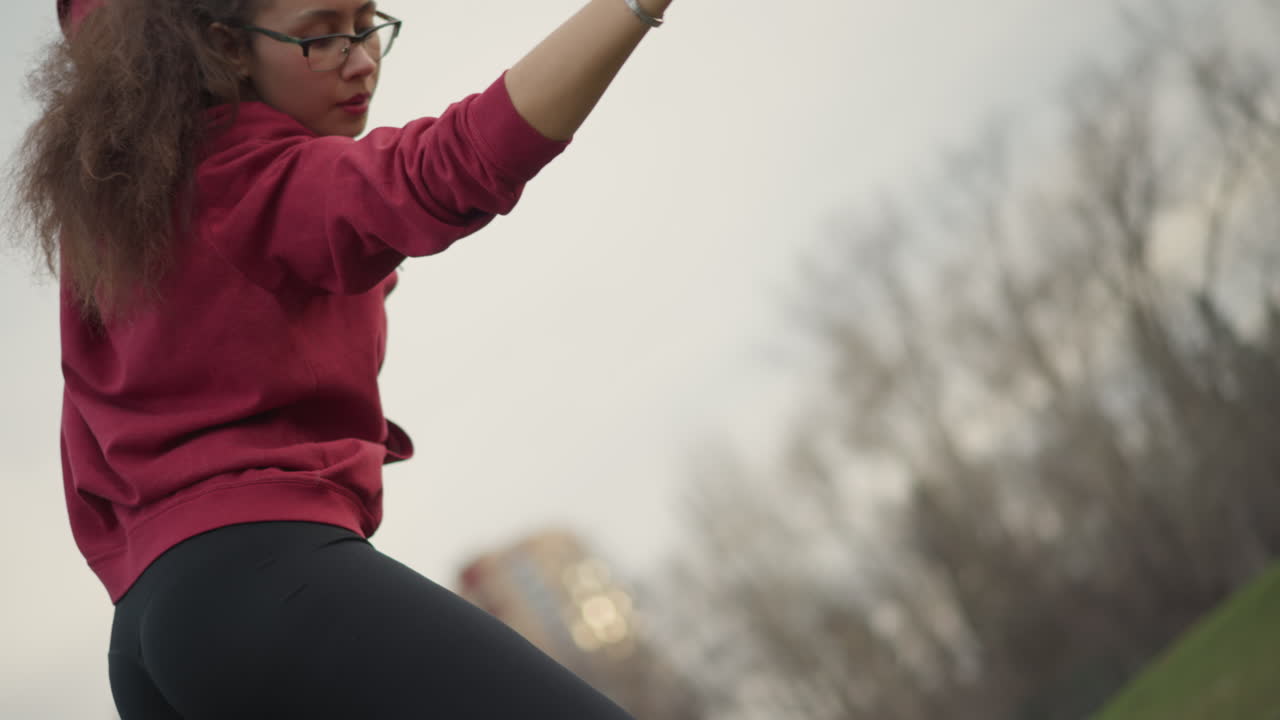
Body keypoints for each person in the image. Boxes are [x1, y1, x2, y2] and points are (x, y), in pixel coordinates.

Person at [12, 0, 673, 717]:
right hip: (262, 586)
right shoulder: (241, 176)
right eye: (320, 34)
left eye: (365, 23)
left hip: (150, 640)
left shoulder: (131, 206)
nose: (359, 58)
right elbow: (449, 166)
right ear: (225, 47)